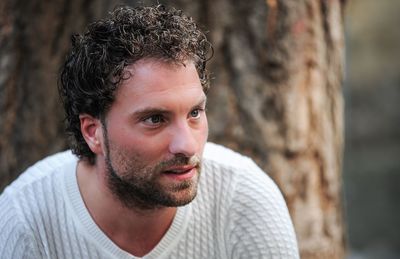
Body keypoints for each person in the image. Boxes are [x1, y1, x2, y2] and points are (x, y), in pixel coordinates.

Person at [0, 5, 299, 259]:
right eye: (155, 119)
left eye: (194, 113)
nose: (187, 145)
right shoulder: (27, 221)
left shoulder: (244, 201)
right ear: (93, 132)